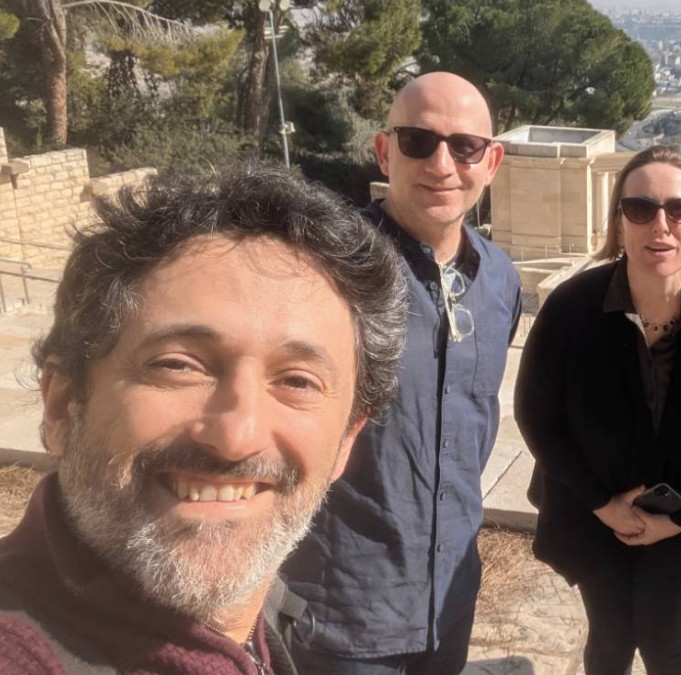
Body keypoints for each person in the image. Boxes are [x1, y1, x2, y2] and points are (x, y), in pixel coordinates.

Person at [0, 165, 408, 673]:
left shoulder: (264, 615)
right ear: (64, 404)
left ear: (347, 441)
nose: (236, 437)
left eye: (297, 381)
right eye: (178, 365)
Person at [283, 72, 523, 672]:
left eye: (465, 146)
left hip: (449, 602)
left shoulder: (500, 280)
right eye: (419, 141)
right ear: (385, 151)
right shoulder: (324, 271)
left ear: (491, 161)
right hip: (340, 611)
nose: (443, 163)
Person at [515, 146, 681, 674]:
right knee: (611, 635)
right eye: (641, 209)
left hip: (673, 509)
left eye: (680, 209)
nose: (661, 225)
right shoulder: (572, 307)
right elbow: (537, 417)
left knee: (664, 637)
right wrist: (604, 504)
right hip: (588, 501)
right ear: (619, 222)